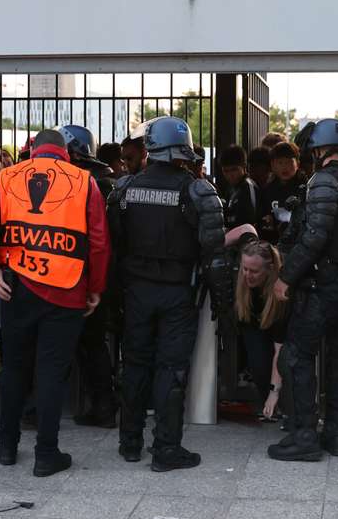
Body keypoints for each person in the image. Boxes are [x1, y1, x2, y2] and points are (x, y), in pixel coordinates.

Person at [0, 129, 110, 477]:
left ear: (33, 150)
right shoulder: (84, 181)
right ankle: (46, 454)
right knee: (52, 374)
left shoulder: (7, 176)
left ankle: (6, 446)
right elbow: (98, 241)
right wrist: (95, 288)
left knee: (15, 369)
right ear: (67, 153)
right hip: (67, 290)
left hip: (17, 288)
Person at [106, 116, 225, 472]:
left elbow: (114, 247)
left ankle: (130, 443)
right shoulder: (198, 191)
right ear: (183, 148)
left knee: (135, 366)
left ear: (151, 148)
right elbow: (214, 255)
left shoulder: (124, 189)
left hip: (136, 292)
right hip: (178, 294)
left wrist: (115, 298)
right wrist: (222, 301)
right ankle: (166, 449)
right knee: (171, 370)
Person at [267, 118, 338, 461]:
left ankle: (304, 436)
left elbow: (315, 236)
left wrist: (286, 277)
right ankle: (337, 436)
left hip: (324, 285)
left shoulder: (322, 182)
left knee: (297, 356)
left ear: (319, 150)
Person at [58, 124, 119, 429]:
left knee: (82, 344)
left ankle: (100, 405)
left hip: (81, 275)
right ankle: (101, 404)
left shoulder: (88, 184)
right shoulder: (106, 182)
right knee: (89, 344)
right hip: (95, 274)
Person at [234, 239, 289, 417]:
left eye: (254, 271)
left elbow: (279, 348)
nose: (248, 275)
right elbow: (245, 228)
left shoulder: (280, 294)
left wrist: (274, 392)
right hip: (253, 322)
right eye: (245, 269)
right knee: (258, 362)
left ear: (269, 269)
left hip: (278, 329)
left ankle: (279, 402)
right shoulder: (243, 285)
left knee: (282, 361)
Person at [259, 142, 305, 244]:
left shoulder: (304, 187)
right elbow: (264, 213)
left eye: (289, 162)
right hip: (274, 241)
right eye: (280, 163)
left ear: (297, 163)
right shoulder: (268, 189)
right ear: (272, 165)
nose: (284, 167)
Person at [219, 144, 261, 230]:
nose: (230, 175)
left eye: (234, 169)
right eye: (226, 171)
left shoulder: (248, 186)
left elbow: (251, 220)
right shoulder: (230, 188)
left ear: (244, 166)